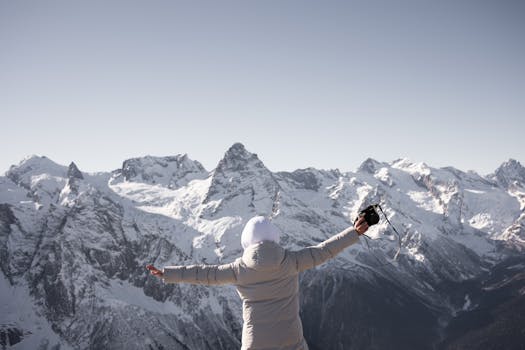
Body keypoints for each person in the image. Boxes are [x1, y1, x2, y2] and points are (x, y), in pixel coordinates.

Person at [147, 215, 369, 350]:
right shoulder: (292, 261)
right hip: (290, 339)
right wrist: (354, 232)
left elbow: (203, 274)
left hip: (255, 343)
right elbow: (326, 250)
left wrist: (167, 273)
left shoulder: (237, 270)